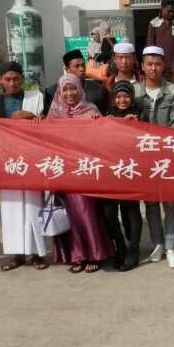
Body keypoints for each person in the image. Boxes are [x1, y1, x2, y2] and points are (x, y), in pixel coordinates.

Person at [0, 61, 48, 271]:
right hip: (7, 161)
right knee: (11, 207)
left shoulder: (36, 98)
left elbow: (48, 125)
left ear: (22, 79)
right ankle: (16, 254)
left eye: (16, 79)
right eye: (8, 79)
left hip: (32, 159)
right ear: (0, 80)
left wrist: (31, 117)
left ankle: (37, 253)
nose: (12, 83)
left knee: (33, 206)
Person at [47, 74, 113, 274]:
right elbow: (45, 141)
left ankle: (93, 254)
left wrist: (98, 123)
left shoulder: (91, 110)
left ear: (80, 89)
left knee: (86, 211)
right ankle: (76, 256)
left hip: (85, 170)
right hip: (63, 172)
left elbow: (104, 138)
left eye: (73, 88)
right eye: (65, 89)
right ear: (60, 92)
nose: (69, 93)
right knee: (68, 214)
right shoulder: (54, 114)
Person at [134, 46, 174, 268]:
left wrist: (165, 149)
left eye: (157, 64)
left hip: (166, 156)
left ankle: (171, 247)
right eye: (149, 64)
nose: (153, 68)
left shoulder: (172, 90)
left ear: (164, 66)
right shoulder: (134, 91)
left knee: (169, 204)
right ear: (142, 66)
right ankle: (158, 245)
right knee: (151, 204)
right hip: (143, 157)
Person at [106, 80, 143, 271]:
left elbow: (149, 140)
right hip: (110, 171)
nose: (122, 100)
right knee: (109, 212)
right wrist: (96, 121)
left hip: (130, 169)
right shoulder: (106, 116)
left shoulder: (139, 114)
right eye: (118, 96)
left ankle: (133, 250)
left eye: (126, 96)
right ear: (113, 99)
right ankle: (120, 245)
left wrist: (137, 126)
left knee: (131, 209)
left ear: (132, 97)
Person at [46, 49, 109, 115]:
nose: (82, 69)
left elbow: (104, 116)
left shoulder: (99, 90)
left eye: (83, 65)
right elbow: (47, 117)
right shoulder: (52, 92)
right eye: (77, 66)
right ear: (67, 69)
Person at [146, 0, 174, 80]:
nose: (171, 13)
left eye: (173, 11)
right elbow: (150, 44)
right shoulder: (154, 23)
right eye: (169, 11)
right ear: (162, 9)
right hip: (160, 62)